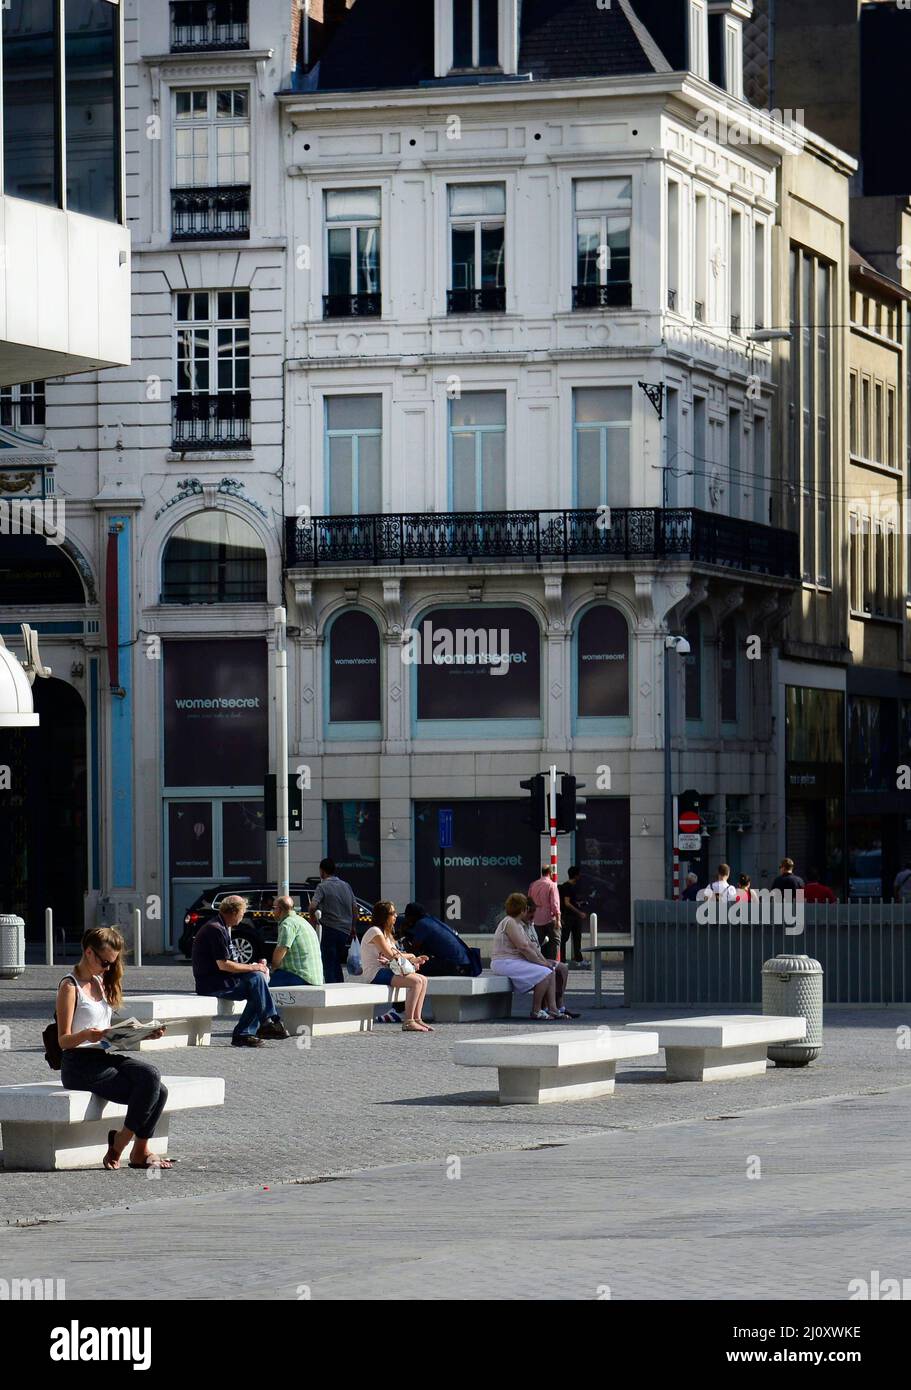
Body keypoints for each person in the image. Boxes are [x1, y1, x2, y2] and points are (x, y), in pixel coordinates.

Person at [56, 927, 172, 1170]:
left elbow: (109, 1035)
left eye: (112, 963)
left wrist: (144, 1034)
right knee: (151, 1082)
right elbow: (63, 1041)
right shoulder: (70, 986)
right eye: (105, 962)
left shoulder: (100, 982)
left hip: (103, 1056)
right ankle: (122, 1142)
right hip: (79, 1065)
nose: (108, 968)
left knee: (157, 1087)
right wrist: (87, 1034)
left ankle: (139, 1150)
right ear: (89, 952)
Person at [192, 894, 289, 1048]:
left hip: (222, 980)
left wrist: (254, 966)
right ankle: (266, 1022)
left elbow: (231, 962)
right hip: (213, 984)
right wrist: (254, 967)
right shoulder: (215, 929)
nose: (242, 918)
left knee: (257, 983)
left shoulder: (222, 927)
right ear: (234, 912)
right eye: (242, 914)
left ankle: (248, 1032)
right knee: (257, 979)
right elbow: (223, 964)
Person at [490, 893, 579, 1021]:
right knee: (545, 972)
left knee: (550, 970)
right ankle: (536, 1010)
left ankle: (553, 1009)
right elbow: (523, 947)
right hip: (504, 962)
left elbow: (531, 946)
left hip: (512, 961)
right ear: (522, 909)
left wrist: (544, 962)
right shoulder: (510, 922)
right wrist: (541, 963)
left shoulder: (517, 924)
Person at [360, 901, 432, 1033]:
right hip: (375, 973)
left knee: (423, 979)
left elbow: (396, 954)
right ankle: (408, 1022)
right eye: (393, 913)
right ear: (384, 916)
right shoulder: (375, 932)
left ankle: (417, 1019)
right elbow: (391, 954)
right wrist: (411, 956)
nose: (396, 916)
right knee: (416, 982)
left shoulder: (385, 934)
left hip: (385, 970)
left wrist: (415, 959)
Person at [307, 858, 358, 984]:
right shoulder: (346, 885)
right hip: (345, 931)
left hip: (329, 928)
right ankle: (339, 987)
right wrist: (353, 927)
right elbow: (355, 907)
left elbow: (313, 906)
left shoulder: (322, 886)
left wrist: (312, 921)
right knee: (336, 962)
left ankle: (331, 989)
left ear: (322, 871)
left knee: (328, 963)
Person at [395, 903, 481, 977]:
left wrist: (404, 938)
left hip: (458, 967)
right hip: (466, 964)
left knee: (413, 968)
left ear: (412, 917)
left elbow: (413, 953)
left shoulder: (422, 924)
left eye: (407, 918)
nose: (407, 920)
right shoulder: (432, 920)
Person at [270, 895, 324, 987]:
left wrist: (270, 970)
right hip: (315, 977)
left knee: (262, 986)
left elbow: (278, 957)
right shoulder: (301, 921)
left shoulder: (287, 924)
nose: (272, 912)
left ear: (280, 909)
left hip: (300, 976)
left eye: (273, 908)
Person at [527, 866, 562, 961]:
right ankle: (553, 964)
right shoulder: (552, 885)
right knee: (555, 941)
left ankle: (537, 963)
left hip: (536, 919)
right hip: (549, 918)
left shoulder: (533, 885)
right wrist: (558, 919)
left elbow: (529, 902)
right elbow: (555, 904)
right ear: (550, 873)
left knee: (537, 943)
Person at [559, 866, 588, 966]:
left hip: (572, 916)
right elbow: (567, 903)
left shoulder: (571, 886)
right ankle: (562, 960)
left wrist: (578, 904)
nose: (580, 876)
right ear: (576, 875)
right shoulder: (568, 886)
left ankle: (578, 959)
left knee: (576, 937)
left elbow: (570, 902)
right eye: (579, 874)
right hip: (569, 916)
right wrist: (579, 912)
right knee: (564, 938)